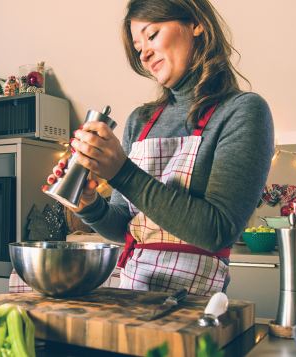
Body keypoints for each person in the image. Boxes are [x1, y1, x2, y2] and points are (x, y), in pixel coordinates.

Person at [41, 0, 274, 296]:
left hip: (192, 306)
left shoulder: (242, 111)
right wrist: (89, 204)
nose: (145, 54)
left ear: (196, 23)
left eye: (152, 35)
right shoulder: (141, 121)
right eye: (138, 48)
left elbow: (217, 231)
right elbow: (126, 227)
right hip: (132, 294)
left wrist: (122, 172)